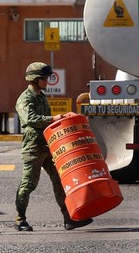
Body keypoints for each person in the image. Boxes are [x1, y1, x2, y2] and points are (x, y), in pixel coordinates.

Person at [14, 62, 93, 231]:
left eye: (47, 78)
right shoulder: (25, 98)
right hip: (33, 148)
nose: (47, 81)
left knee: (60, 181)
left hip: (48, 146)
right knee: (29, 184)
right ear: (35, 79)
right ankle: (20, 218)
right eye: (44, 78)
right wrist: (54, 118)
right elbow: (31, 119)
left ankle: (69, 218)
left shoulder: (41, 96)